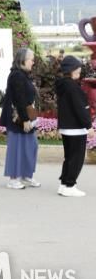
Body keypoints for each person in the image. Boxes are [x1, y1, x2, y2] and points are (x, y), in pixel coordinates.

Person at [0, 48, 40, 190]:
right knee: (16, 148)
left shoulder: (24, 75)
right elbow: (19, 99)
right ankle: (13, 178)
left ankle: (26, 175)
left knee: (31, 146)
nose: (33, 62)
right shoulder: (16, 75)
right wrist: (25, 119)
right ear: (22, 60)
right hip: (18, 118)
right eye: (31, 59)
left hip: (26, 116)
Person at [55, 56, 91, 197]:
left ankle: (64, 184)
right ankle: (70, 185)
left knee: (69, 157)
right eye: (77, 68)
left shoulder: (63, 85)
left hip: (67, 127)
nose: (79, 71)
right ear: (71, 69)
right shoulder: (73, 87)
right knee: (76, 158)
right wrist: (88, 126)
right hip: (76, 128)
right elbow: (80, 108)